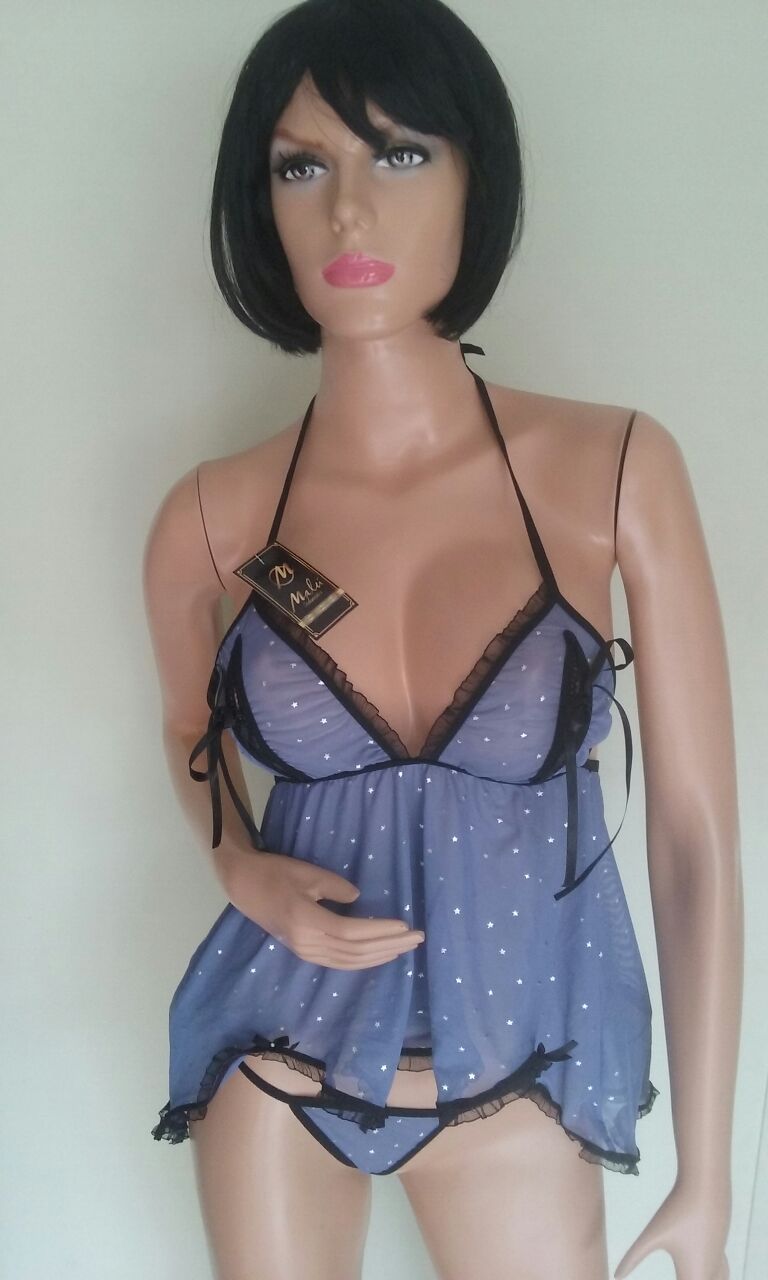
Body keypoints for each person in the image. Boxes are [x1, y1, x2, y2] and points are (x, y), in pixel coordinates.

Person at [143, 2, 742, 1277]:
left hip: (520, 1062)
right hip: (276, 1060)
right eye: (301, 167)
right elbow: (189, 724)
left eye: (401, 152)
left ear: (479, 173)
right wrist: (238, 865)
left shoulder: (611, 471)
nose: (348, 211)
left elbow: (694, 837)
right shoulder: (214, 517)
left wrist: (712, 1166)